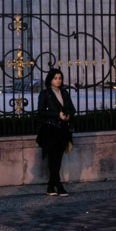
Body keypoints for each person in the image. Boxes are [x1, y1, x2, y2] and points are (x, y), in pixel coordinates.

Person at [36, 68, 76, 196]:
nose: (58, 81)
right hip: (50, 129)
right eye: (55, 78)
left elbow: (72, 109)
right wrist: (57, 115)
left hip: (63, 130)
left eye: (60, 78)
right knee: (53, 158)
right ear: (50, 80)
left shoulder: (64, 92)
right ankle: (58, 185)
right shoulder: (45, 93)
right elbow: (41, 112)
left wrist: (68, 115)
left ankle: (50, 186)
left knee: (58, 158)